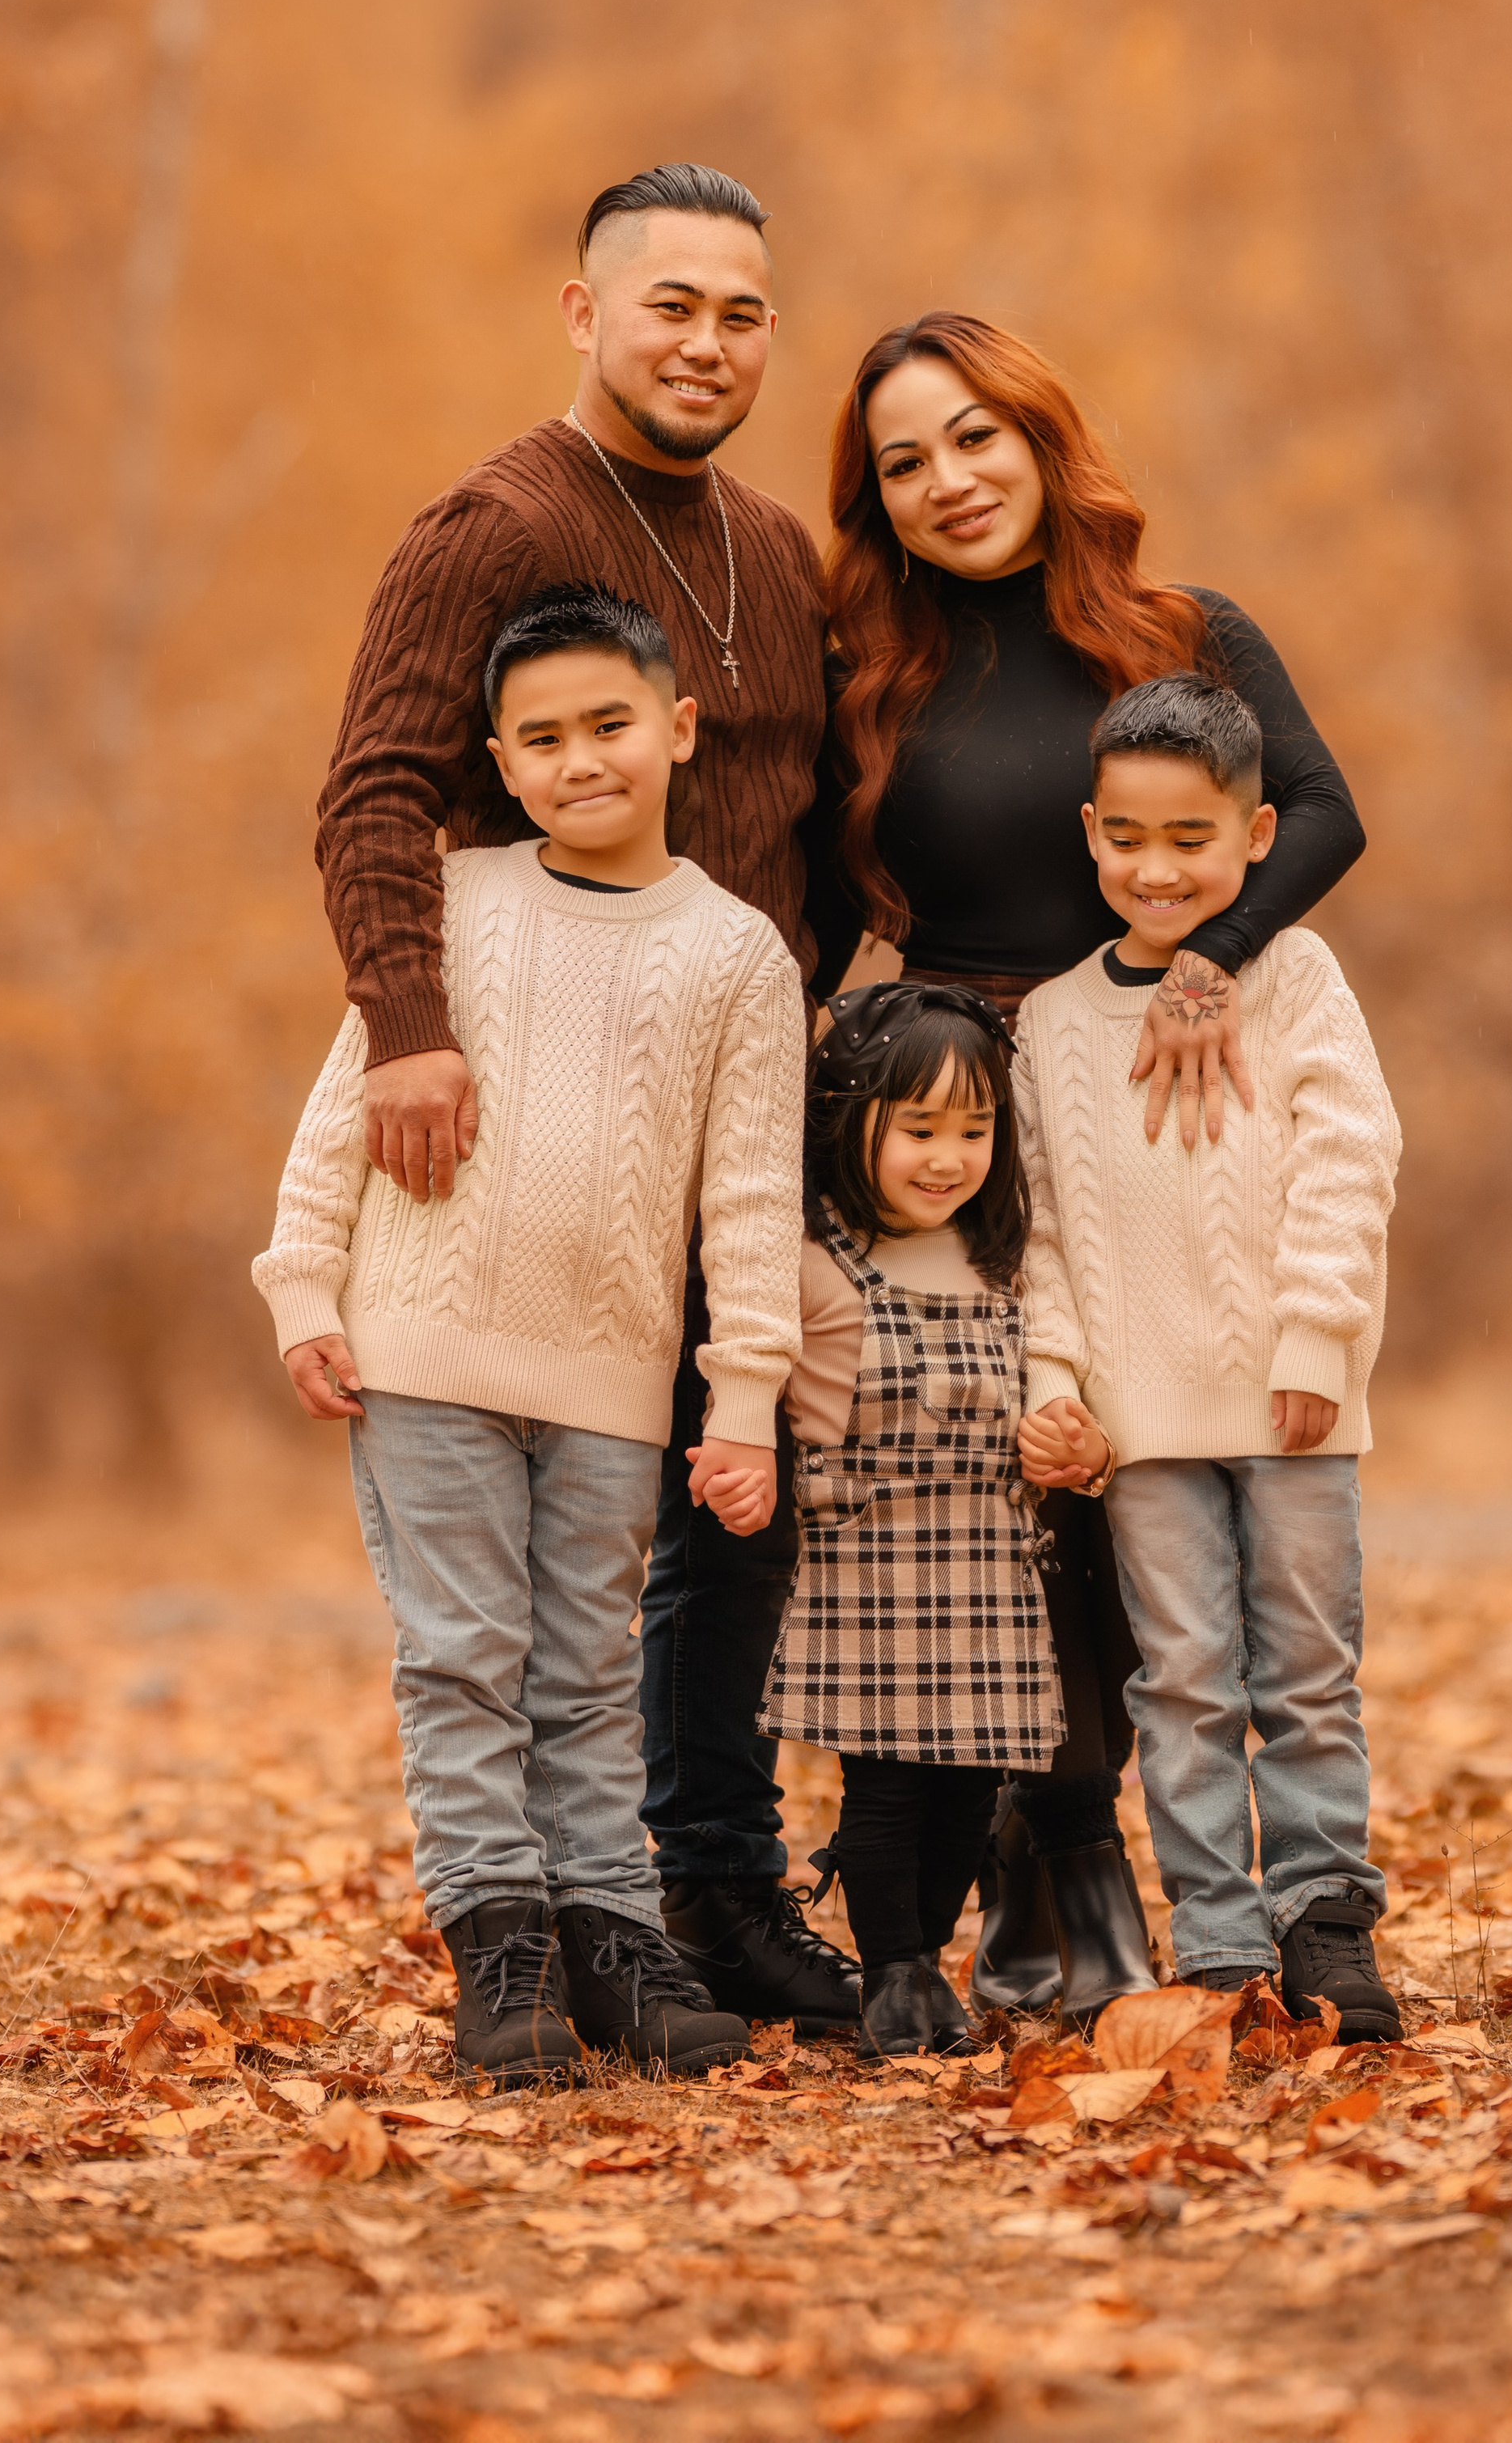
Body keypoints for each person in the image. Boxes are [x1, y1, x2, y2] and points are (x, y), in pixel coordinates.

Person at [313, 161, 859, 2034]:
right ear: (584, 312)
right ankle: (537, 1927)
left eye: (740, 314)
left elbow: (810, 821)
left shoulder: (773, 551)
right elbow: (375, 788)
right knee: (543, 1585)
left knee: (734, 1497)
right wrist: (406, 1028)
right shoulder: (496, 523)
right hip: (534, 1113)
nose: (706, 343)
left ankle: (699, 1893)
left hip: (736, 1080)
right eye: (668, 306)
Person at [809, 312, 1367, 2021]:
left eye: (974, 435)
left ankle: (1133, 1865)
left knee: (1148, 1474)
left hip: (1164, 1082)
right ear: (878, 502)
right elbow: (819, 914)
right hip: (962, 1112)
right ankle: (1051, 1856)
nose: (948, 479)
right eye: (904, 462)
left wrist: (1208, 967)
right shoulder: (871, 678)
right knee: (1011, 1482)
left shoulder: (1181, 633)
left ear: (1041, 437)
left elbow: (1321, 811)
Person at [256, 583, 806, 2081]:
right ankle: (501, 1948)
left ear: (678, 729)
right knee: (465, 1655)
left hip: (613, 1379)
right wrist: (304, 1284)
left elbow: (751, 1198)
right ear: (500, 762)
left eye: (608, 725)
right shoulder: (456, 899)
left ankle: (612, 1933)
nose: (580, 760)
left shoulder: (739, 955)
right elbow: (348, 1105)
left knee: (583, 1669)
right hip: (424, 1348)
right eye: (543, 738)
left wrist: (743, 1397)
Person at [1013, 671, 1404, 2042]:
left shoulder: (1294, 974)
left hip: (1295, 1402)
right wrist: (1056, 1386)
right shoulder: (1052, 1021)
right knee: (1181, 1684)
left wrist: (1312, 1335)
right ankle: (1223, 1945)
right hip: (1139, 1425)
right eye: (1127, 836)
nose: (1157, 867)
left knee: (1306, 1674)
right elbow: (1041, 1230)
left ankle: (1326, 1918)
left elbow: (1352, 1157)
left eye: (1192, 839)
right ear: (1090, 831)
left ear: (1255, 837)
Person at [695, 983, 1062, 2058]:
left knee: (974, 1784)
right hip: (869, 1563)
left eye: (974, 1130)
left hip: (990, 1563)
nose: (948, 1158)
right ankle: (894, 1969)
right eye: (920, 1129)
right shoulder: (816, 1261)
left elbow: (1055, 1385)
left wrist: (1073, 1442)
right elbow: (750, 1369)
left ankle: (928, 1957)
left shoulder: (1004, 1260)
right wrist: (741, 1450)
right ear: (852, 1122)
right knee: (891, 1782)